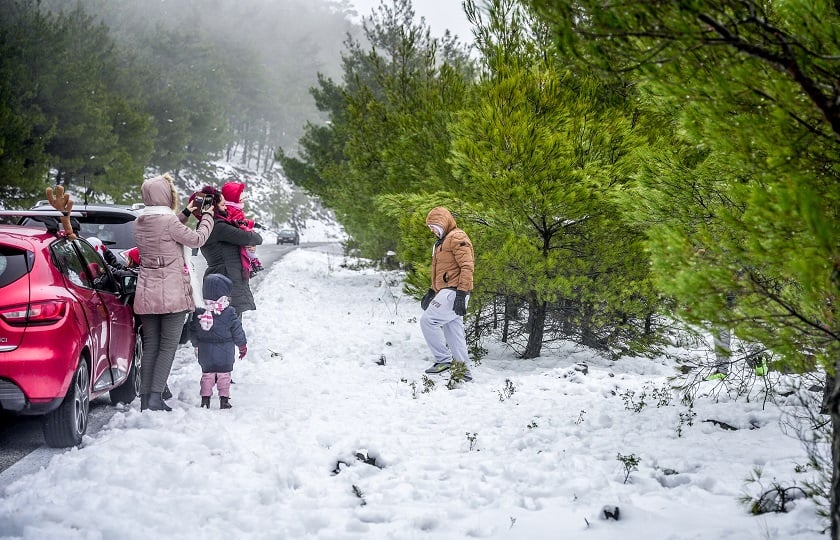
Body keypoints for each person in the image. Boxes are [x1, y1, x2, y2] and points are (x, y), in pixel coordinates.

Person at [133, 173, 215, 411]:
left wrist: (188, 212)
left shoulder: (140, 222)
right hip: (171, 294)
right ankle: (156, 397)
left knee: (151, 346)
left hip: (147, 293)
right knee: (167, 347)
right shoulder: (169, 223)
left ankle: (146, 398)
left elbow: (167, 230)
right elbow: (197, 239)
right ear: (166, 196)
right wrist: (207, 216)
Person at [419, 206, 475, 382]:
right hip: (447, 291)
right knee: (454, 333)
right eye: (430, 227)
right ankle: (463, 373)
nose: (431, 230)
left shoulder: (457, 237)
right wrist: (432, 291)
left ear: (443, 223)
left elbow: (467, 266)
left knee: (428, 321)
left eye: (433, 226)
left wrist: (462, 293)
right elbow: (443, 271)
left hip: (454, 291)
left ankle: (443, 360)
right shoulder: (442, 242)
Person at [199, 187, 263, 318]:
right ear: (214, 207)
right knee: (229, 326)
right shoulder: (219, 227)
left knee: (227, 325)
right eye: (223, 204)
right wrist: (250, 240)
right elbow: (252, 237)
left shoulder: (209, 224)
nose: (226, 208)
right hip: (226, 279)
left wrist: (248, 246)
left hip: (222, 278)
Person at [190, 273, 247, 409]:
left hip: (205, 352)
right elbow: (237, 330)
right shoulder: (229, 311)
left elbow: (192, 329)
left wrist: (196, 343)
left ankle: (205, 400)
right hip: (225, 351)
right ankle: (224, 400)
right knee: (224, 376)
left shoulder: (199, 310)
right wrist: (242, 345)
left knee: (207, 376)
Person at [221, 181, 265, 278]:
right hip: (239, 231)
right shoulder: (230, 208)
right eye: (241, 195)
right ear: (234, 197)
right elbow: (234, 221)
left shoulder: (237, 208)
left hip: (242, 230)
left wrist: (253, 224)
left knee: (248, 247)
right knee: (245, 250)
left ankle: (252, 264)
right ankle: (252, 264)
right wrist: (242, 226)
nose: (243, 197)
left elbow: (243, 221)